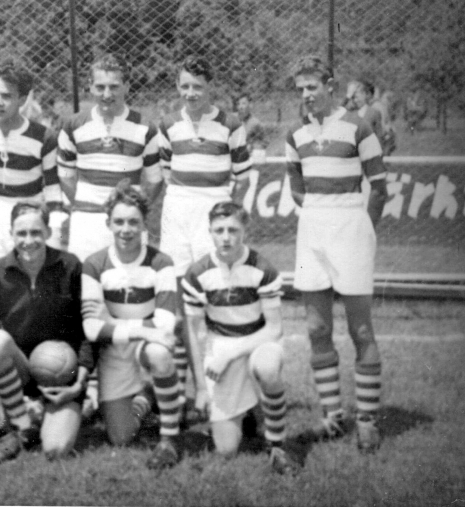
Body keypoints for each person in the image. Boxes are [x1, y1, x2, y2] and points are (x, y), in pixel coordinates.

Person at [286, 55, 387, 454]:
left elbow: (378, 187)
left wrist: (361, 230)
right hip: (313, 226)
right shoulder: (295, 133)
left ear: (329, 84)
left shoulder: (359, 126)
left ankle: (366, 420)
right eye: (300, 90)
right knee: (316, 328)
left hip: (351, 224)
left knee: (361, 329)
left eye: (312, 87)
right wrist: (316, 213)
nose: (307, 95)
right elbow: (296, 184)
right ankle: (333, 415)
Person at [156, 56, 253, 414]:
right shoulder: (168, 124)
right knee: (180, 309)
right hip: (178, 212)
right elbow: (167, 171)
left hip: (213, 210)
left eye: (197, 86)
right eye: (184, 86)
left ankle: (216, 390)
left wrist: (224, 209)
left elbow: (241, 178)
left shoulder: (230, 124)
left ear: (210, 87)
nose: (190, 93)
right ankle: (180, 397)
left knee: (213, 304)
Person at [182, 202, 301, 475]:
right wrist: (201, 387)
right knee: (226, 450)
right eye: (219, 230)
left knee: (268, 368)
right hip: (220, 346)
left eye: (233, 230)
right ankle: (251, 412)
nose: (226, 237)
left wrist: (230, 354)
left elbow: (274, 329)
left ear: (244, 230)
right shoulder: (197, 273)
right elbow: (191, 330)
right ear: (210, 232)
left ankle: (278, 445)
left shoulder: (262, 268)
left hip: (258, 341)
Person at [0, 202, 94, 462]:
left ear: (48, 233)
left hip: (61, 373)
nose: (28, 241)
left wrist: (77, 385)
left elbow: (87, 330)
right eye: (21, 233)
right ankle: (22, 426)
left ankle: (51, 410)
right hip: (19, 371)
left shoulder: (70, 266)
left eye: (35, 233)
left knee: (55, 449)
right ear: (11, 234)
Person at [81, 181, 183, 469]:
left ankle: (169, 439)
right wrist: (141, 327)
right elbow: (91, 329)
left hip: (144, 346)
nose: (126, 229)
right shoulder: (94, 264)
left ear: (143, 224)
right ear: (108, 223)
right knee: (121, 437)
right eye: (119, 222)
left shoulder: (161, 262)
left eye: (133, 222)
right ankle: (146, 398)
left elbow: (164, 326)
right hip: (114, 352)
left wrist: (112, 322)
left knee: (160, 354)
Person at [0, 60, 62, 290]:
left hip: (30, 210)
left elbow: (53, 189)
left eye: (6, 96)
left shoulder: (44, 137)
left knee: (31, 289)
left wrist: (54, 230)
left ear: (23, 98)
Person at [57, 53, 163, 264]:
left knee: (128, 288)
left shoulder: (145, 128)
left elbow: (155, 180)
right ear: (90, 86)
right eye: (100, 87)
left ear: (127, 87)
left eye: (114, 87)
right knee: (84, 286)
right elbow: (65, 175)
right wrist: (86, 204)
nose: (106, 94)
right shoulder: (73, 125)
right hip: (86, 222)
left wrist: (134, 210)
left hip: (126, 225)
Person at [235, 92, 267, 158]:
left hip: (249, 156)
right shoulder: (232, 120)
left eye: (243, 103)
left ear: (250, 105)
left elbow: (265, 141)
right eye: (238, 104)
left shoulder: (255, 123)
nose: (240, 107)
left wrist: (252, 146)